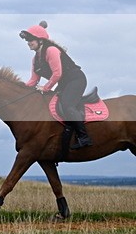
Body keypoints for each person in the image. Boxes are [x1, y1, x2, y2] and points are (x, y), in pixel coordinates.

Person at [20, 21, 93, 156]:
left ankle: (84, 137)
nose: (28, 42)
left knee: (67, 105)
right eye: (27, 40)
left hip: (76, 80)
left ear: (40, 41)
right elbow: (33, 81)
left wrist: (46, 87)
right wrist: (19, 90)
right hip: (64, 83)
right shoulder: (35, 59)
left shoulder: (51, 50)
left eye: (31, 39)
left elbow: (57, 73)